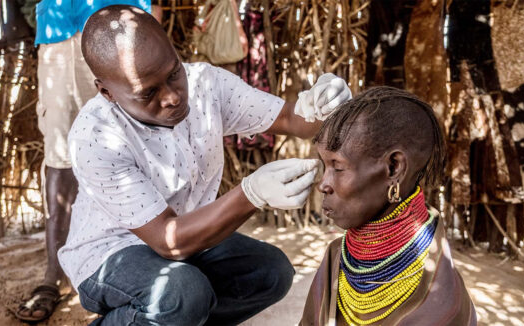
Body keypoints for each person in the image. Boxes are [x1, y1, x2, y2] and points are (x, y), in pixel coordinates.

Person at [58, 5, 352, 325]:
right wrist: (251, 193)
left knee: (270, 272)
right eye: (149, 92)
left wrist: (321, 105)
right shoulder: (96, 137)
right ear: (107, 92)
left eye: (173, 74)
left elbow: (287, 118)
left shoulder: (206, 85)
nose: (172, 96)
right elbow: (169, 240)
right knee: (181, 293)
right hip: (110, 253)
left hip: (188, 235)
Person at [16, 0, 157, 322]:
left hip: (124, 25)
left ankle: (139, 269)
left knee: (134, 142)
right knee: (60, 153)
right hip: (61, 30)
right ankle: (55, 274)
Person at [300, 87, 477, 325]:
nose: (323, 184)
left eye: (338, 167)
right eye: (325, 165)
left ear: (394, 168)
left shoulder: (441, 303)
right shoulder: (336, 256)